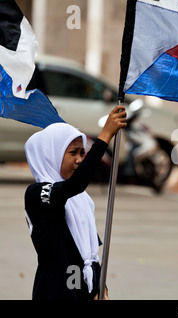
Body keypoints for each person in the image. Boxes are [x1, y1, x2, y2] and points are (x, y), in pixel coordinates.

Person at [24, 105, 127, 300]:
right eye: (73, 153)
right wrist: (105, 136)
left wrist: (100, 287)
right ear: (51, 154)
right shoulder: (36, 194)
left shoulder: (82, 200)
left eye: (83, 153)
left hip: (81, 291)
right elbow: (75, 185)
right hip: (55, 292)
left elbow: (89, 255)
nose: (80, 159)